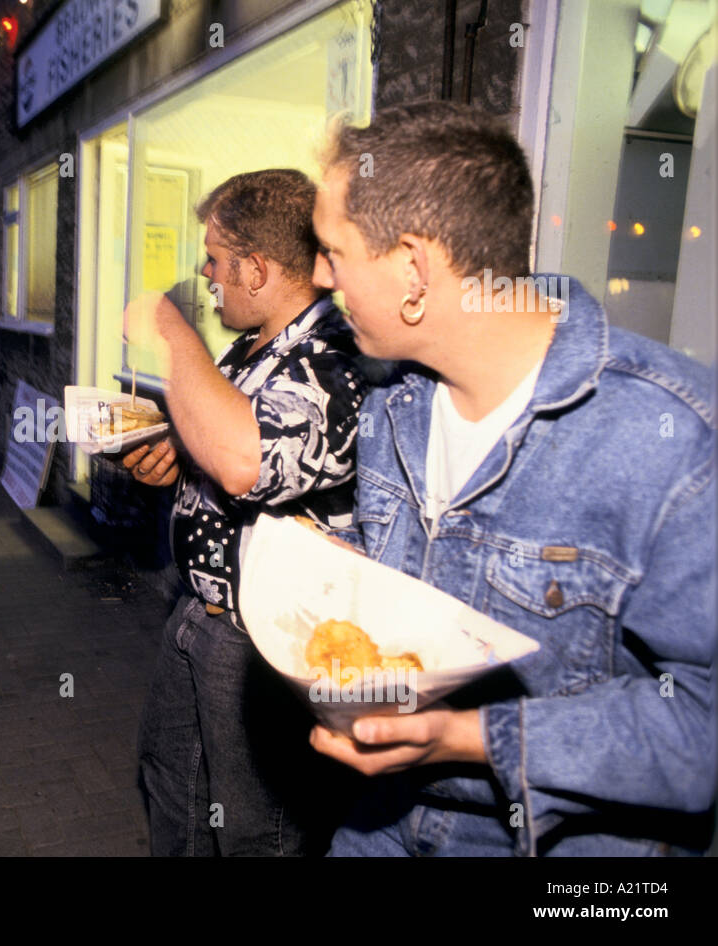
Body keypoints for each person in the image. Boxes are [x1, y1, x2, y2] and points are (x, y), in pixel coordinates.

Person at [305, 100, 716, 855]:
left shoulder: (678, 440)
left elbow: (700, 730)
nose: (318, 276)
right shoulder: (390, 405)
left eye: (333, 251)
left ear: (414, 269)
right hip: (378, 825)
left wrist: (469, 737)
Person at [124, 168, 369, 855]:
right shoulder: (251, 347)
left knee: (256, 832)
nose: (205, 271)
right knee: (172, 783)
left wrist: (170, 331)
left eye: (215, 258)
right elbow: (222, 436)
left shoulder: (331, 360)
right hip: (194, 614)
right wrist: (176, 446)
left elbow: (247, 462)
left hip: (259, 641)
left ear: (257, 268)